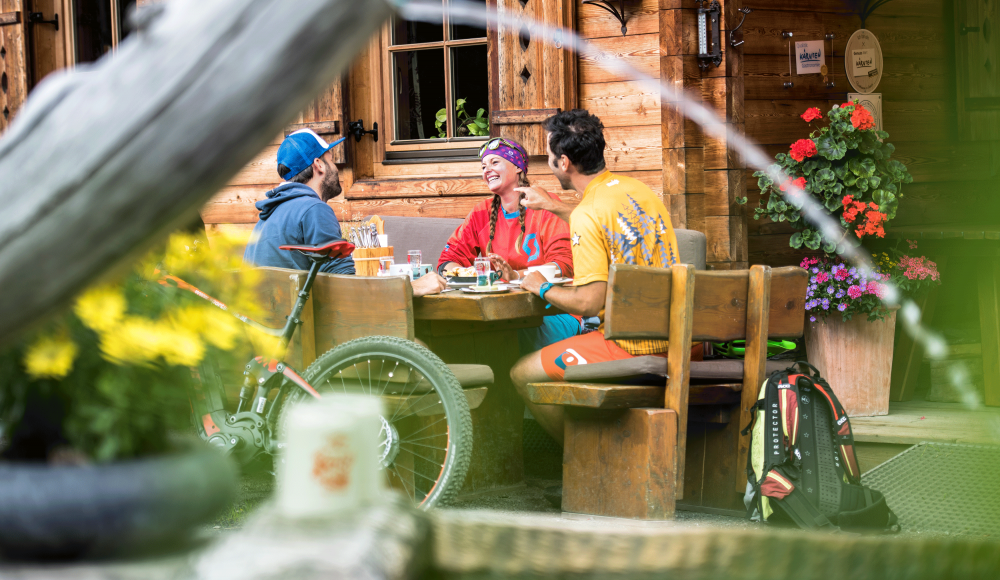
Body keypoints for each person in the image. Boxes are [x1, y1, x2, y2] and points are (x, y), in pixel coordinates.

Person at [510, 109, 697, 445]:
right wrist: (553, 205)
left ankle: (580, 464)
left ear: (564, 163)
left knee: (522, 372)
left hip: (635, 347)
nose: (550, 164)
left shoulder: (587, 213)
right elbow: (606, 227)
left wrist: (541, 285)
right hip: (684, 339)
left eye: (550, 157)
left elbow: (587, 303)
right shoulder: (638, 191)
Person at [244, 129, 446, 296]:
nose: (336, 168)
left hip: (274, 335)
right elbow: (346, 290)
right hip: (305, 339)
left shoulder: (269, 213)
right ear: (318, 165)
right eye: (332, 161)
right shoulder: (313, 210)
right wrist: (413, 287)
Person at [437, 137, 580, 352]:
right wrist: (470, 275)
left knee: (497, 335)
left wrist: (516, 275)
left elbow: (563, 266)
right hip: (499, 314)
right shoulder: (480, 213)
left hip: (555, 312)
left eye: (495, 163)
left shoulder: (544, 203)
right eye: (483, 166)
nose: (487, 170)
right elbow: (448, 261)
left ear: (518, 167)